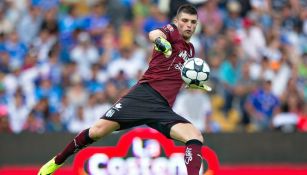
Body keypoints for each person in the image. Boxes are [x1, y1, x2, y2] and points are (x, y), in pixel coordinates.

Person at [38, 4, 207, 175]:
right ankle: (57, 161)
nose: (188, 25)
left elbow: (176, 74)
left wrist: (192, 82)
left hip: (162, 108)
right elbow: (154, 33)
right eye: (184, 21)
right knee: (97, 131)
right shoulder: (171, 31)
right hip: (142, 96)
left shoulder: (191, 50)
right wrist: (160, 42)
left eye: (193, 22)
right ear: (176, 21)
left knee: (195, 136)